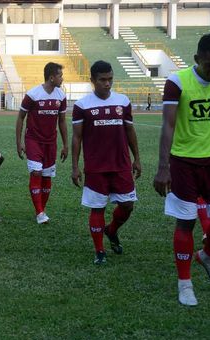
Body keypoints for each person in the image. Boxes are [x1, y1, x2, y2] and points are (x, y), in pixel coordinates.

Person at [153, 33, 210, 306]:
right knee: (186, 222)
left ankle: (206, 256)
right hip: (184, 162)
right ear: (197, 59)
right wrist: (162, 167)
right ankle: (185, 283)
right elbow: (168, 125)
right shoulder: (177, 82)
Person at [71, 60, 141, 265]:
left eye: (110, 79)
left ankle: (111, 230)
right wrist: (75, 167)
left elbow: (130, 130)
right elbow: (77, 138)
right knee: (97, 208)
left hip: (121, 164)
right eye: (102, 80)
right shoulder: (82, 105)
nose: (107, 84)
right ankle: (99, 251)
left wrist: (137, 158)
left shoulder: (123, 101)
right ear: (92, 80)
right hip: (96, 167)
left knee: (127, 205)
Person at [16, 62, 68, 224]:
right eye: (60, 75)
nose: (62, 78)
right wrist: (19, 143)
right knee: (36, 172)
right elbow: (20, 118)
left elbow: (62, 122)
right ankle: (39, 212)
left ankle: (41, 210)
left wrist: (65, 144)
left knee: (47, 176)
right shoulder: (33, 94)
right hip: (33, 140)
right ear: (51, 77)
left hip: (50, 143)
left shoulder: (61, 96)